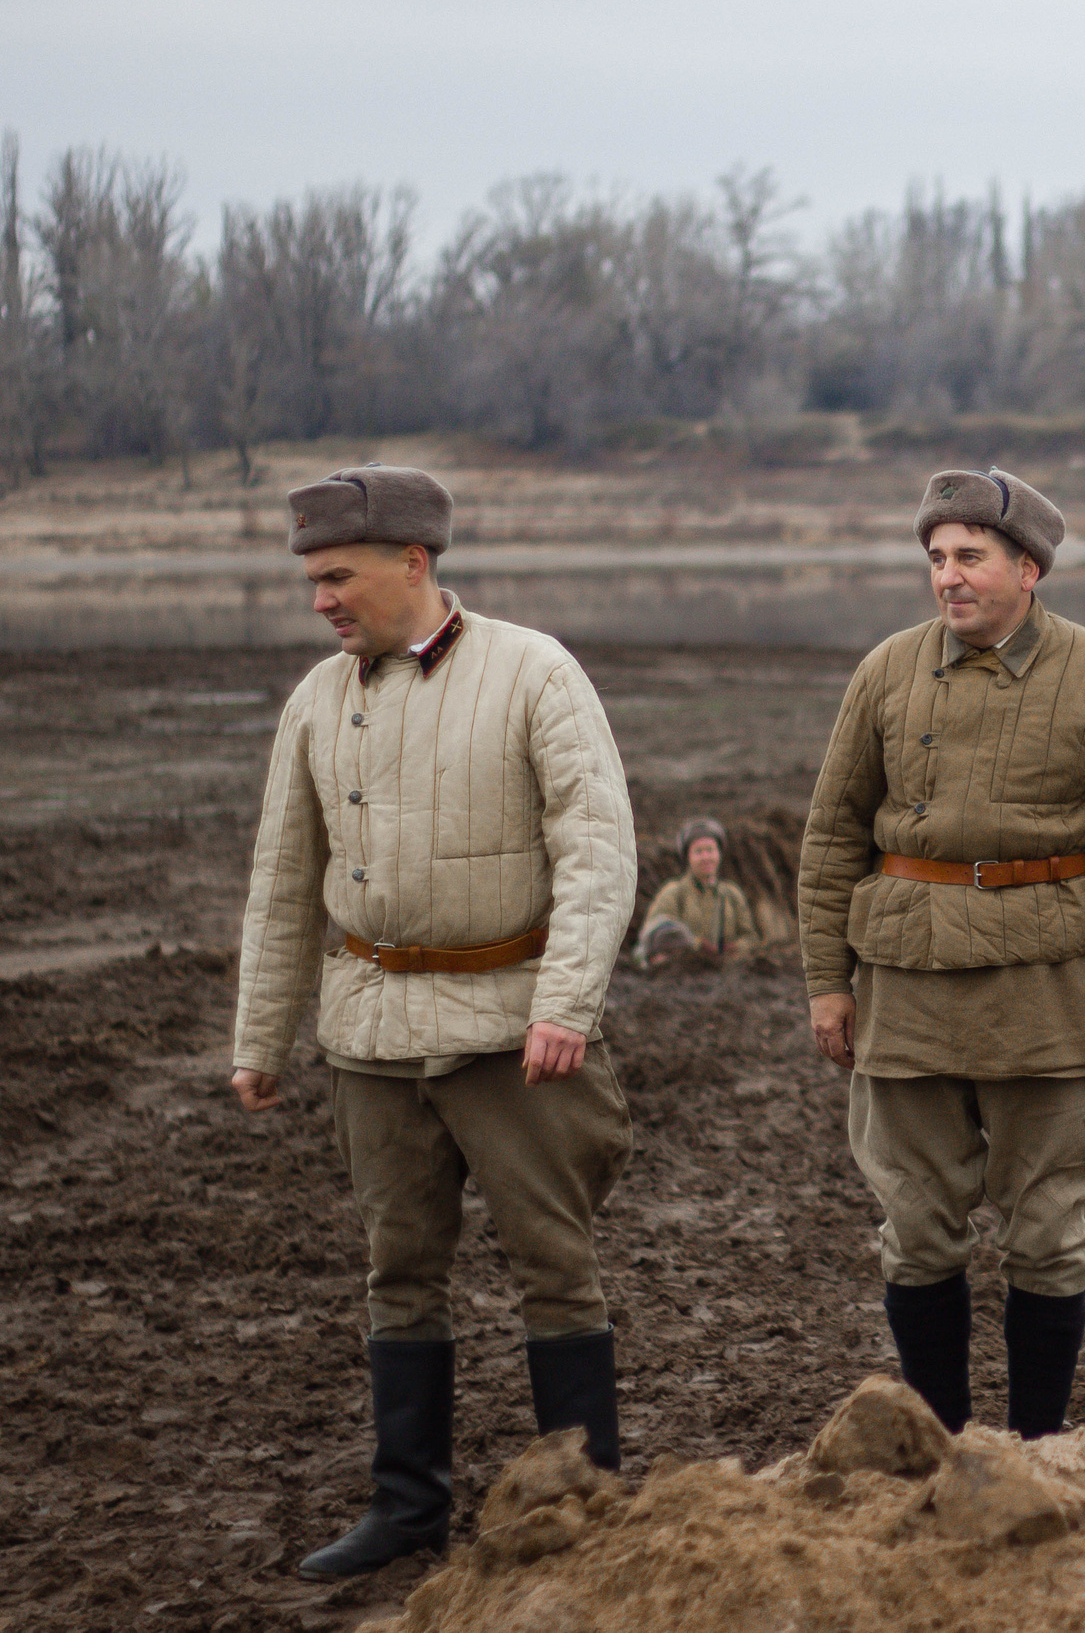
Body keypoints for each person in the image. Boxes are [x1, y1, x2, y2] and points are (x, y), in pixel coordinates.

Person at [226, 465, 639, 1578]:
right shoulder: (317, 700)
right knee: (397, 1269)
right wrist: (260, 1041)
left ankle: (588, 1508)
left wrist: (564, 1005)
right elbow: (281, 883)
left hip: (510, 1034)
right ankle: (406, 1512)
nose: (321, 599)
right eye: (312, 580)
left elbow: (599, 852)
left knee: (555, 1265)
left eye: (337, 576)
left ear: (413, 562)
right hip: (366, 1035)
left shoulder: (533, 672)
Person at [799, 467, 1085, 1440]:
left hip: (1051, 1002)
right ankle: (939, 1447)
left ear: (1028, 567)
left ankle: (1038, 1451)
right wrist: (825, 984)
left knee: (1048, 1236)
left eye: (969, 556)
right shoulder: (886, 671)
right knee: (917, 1233)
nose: (948, 577)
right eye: (936, 558)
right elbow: (831, 837)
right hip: (907, 994)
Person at [636, 818, 757, 966]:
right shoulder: (673, 892)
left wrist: (736, 948)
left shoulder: (732, 894)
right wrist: (696, 945)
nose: (706, 857)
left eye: (710, 850)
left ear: (719, 854)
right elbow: (655, 934)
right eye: (698, 851)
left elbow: (750, 937)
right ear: (688, 857)